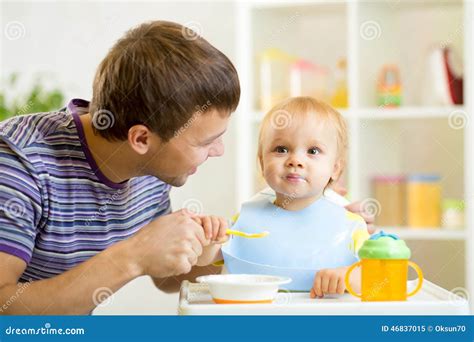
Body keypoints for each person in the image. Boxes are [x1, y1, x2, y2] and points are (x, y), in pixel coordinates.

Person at [195, 97, 371, 298]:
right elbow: (206, 259)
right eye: (281, 149)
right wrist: (210, 240)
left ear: (335, 169)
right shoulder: (246, 220)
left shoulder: (350, 225)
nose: (295, 160)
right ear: (262, 163)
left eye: (313, 151)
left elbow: (380, 276)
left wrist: (350, 276)